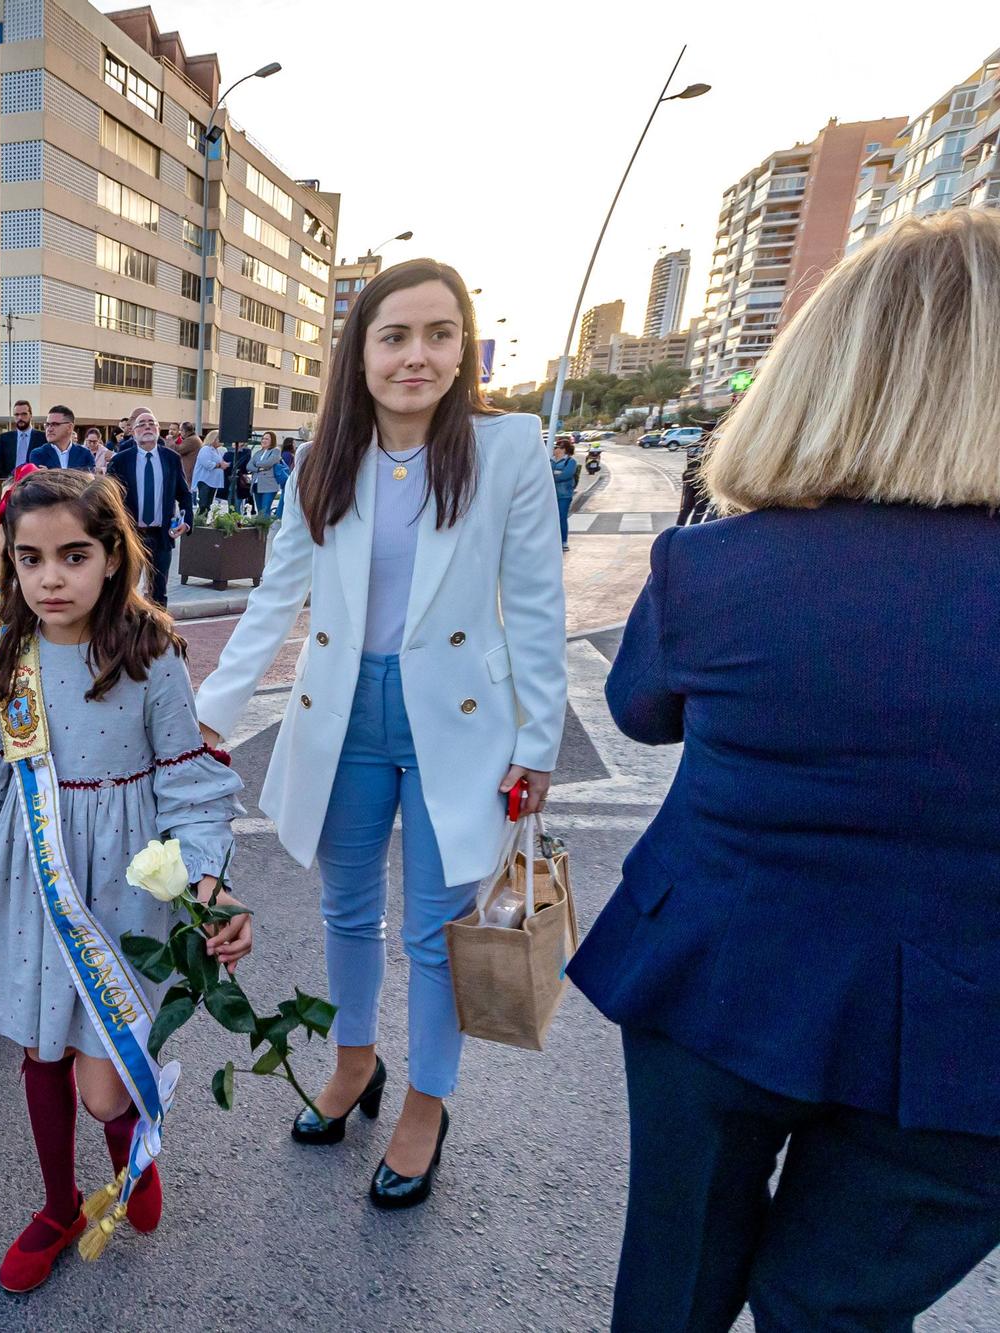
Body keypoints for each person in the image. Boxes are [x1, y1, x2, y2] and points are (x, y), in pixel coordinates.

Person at [568, 209, 1000, 1333]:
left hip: (717, 971)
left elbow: (638, 711)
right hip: (969, 1025)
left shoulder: (714, 567)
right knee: (837, 1310)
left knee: (672, 1276)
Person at [191, 257, 566, 1209]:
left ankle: (427, 1103)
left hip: (464, 723)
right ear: (359, 354)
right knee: (347, 907)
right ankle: (355, 1060)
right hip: (342, 714)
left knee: (440, 932)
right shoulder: (323, 461)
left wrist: (538, 742)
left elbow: (533, 605)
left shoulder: (508, 448)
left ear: (464, 349)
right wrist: (208, 719)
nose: (416, 356)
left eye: (439, 334)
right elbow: (276, 598)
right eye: (394, 336)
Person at [0, 467, 248, 1293]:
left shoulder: (150, 654)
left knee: (106, 1082)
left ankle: (129, 1145)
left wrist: (208, 882)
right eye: (30, 559)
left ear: (113, 555)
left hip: (126, 881)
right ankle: (57, 1201)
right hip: (33, 875)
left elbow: (190, 780)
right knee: (41, 1045)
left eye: (73, 555)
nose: (50, 577)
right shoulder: (14, 657)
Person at [105, 407, 193, 605]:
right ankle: (124, 632)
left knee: (158, 592)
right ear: (133, 432)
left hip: (161, 536)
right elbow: (108, 498)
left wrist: (186, 522)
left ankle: (157, 632)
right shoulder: (121, 460)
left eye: (151, 423)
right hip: (130, 535)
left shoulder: (171, 458)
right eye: (141, 425)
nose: (146, 427)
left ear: (158, 429)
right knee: (125, 590)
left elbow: (184, 494)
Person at [0, 399, 45, 484]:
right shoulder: (5, 438)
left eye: (24, 414)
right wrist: (9, 481)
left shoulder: (43, 438)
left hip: (35, 485)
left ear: (31, 415)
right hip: (10, 485)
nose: (20, 418)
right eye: (16, 415)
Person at [26, 405, 92, 470]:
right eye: (47, 425)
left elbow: (90, 479)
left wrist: (50, 473)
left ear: (69, 427)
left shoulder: (85, 454)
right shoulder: (38, 454)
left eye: (55, 424)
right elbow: (39, 480)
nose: (49, 429)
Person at [550, 440, 579, 551]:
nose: (555, 449)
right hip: (550, 495)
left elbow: (566, 475)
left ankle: (563, 541)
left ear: (564, 449)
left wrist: (554, 476)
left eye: (558, 447)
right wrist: (556, 473)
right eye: (555, 447)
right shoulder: (550, 461)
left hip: (564, 495)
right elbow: (546, 473)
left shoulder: (570, 462)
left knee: (562, 517)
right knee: (550, 519)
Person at [250, 430, 283, 515]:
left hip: (269, 485)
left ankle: (265, 527)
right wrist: (258, 469)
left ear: (272, 440)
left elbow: (268, 463)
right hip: (257, 484)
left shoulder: (275, 451)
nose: (264, 441)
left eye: (267, 439)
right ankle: (260, 527)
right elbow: (249, 466)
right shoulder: (258, 452)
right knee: (260, 511)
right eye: (263, 439)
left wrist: (256, 464)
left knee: (265, 510)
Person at [192, 430, 227, 511]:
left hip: (213, 481)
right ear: (213, 439)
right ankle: (200, 520)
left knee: (208, 504)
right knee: (203, 504)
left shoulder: (217, 451)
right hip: (205, 480)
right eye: (219, 438)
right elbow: (207, 464)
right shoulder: (205, 449)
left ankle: (204, 519)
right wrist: (219, 465)